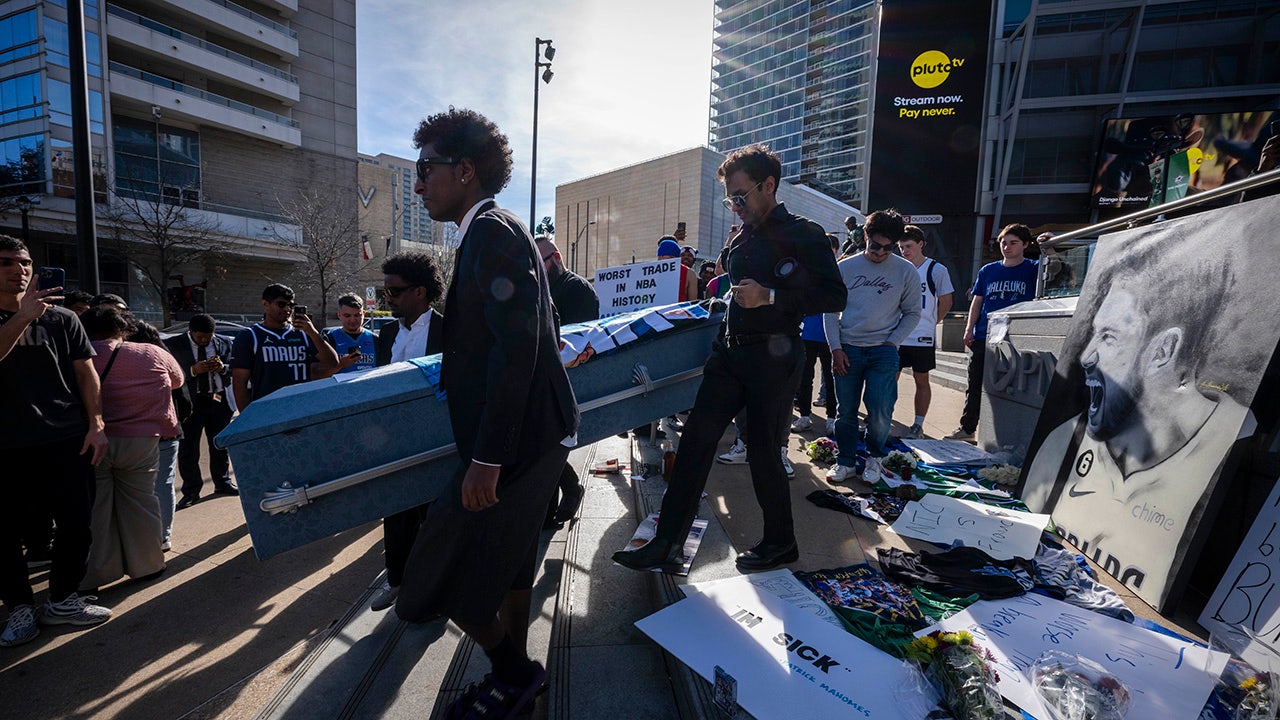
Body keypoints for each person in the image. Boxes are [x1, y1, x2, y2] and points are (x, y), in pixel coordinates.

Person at [394, 107, 580, 718]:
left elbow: (517, 347)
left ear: (465, 171)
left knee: (446, 582)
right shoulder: (485, 232)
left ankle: (516, 680)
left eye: (426, 169)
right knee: (450, 583)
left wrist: (486, 459)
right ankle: (515, 676)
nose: (419, 184)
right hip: (512, 441)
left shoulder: (494, 232)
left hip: (517, 446)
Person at [613, 144, 846, 575]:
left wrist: (770, 295)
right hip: (730, 351)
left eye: (740, 196)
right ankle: (666, 542)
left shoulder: (804, 232)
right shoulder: (742, 235)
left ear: (769, 185)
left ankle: (781, 541)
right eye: (730, 198)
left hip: (774, 354)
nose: (735, 206)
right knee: (696, 441)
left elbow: (835, 295)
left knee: (762, 450)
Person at [1022, 245, 1247, 602]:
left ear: (1163, 351)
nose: (1085, 355)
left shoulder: (1235, 441)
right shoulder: (1063, 442)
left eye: (1108, 337)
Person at [0, 235, 110, 647]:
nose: (19, 269)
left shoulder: (63, 318)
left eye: (24, 261)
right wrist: (24, 317)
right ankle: (20, 606)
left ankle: (63, 599)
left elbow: (86, 374)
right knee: (8, 533)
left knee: (76, 524)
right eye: (7, 262)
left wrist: (97, 424)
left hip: (66, 438)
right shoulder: (29, 316)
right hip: (7, 444)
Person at [78, 306, 181, 591]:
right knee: (142, 501)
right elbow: (177, 380)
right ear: (122, 328)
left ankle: (99, 570)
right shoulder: (151, 352)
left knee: (98, 508)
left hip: (92, 439)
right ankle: (147, 564)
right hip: (142, 439)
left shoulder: (77, 353)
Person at [366, 251, 446, 612]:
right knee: (395, 512)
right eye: (385, 292)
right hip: (393, 440)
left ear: (420, 292)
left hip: (436, 441)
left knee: (433, 518)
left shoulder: (451, 329)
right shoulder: (385, 333)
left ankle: (434, 589)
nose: (388, 299)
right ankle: (397, 578)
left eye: (394, 292)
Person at [822, 210, 921, 483]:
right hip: (848, 348)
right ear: (865, 235)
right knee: (846, 411)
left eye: (889, 248)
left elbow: (913, 312)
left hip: (883, 350)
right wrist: (835, 348)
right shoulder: (845, 267)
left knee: (880, 409)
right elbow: (830, 311)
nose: (880, 253)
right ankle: (846, 461)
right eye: (875, 245)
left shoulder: (906, 271)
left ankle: (875, 459)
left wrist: (893, 342)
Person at [946, 224, 1039, 441]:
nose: (1007, 247)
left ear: (1025, 244)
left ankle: (1011, 433)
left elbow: (1057, 272)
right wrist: (969, 328)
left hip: (1017, 336)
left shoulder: (1034, 268)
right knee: (975, 383)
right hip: (984, 335)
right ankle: (968, 428)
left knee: (1014, 385)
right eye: (1003, 243)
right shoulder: (988, 270)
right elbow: (977, 301)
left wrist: (1050, 250)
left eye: (1013, 242)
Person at [535, 233, 599, 529]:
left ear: (556, 258)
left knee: (548, 444)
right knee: (545, 445)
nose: (536, 270)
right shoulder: (546, 289)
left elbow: (574, 341)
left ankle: (568, 492)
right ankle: (558, 501)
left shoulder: (577, 290)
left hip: (567, 378)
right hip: (549, 377)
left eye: (540, 263)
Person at [164, 314, 237, 508]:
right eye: (201, 337)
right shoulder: (174, 344)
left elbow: (235, 368)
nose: (205, 340)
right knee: (189, 449)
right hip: (190, 403)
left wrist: (222, 368)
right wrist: (193, 371)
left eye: (209, 336)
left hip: (218, 400)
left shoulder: (224, 343)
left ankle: (222, 482)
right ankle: (191, 491)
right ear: (191, 331)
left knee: (220, 444)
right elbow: (169, 374)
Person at [230, 283, 339, 410]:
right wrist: (246, 419)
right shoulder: (249, 336)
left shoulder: (304, 333)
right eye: (281, 304)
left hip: (301, 407)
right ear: (265, 304)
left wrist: (313, 333)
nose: (287, 309)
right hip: (266, 409)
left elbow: (332, 363)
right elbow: (239, 382)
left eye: (291, 305)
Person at [896, 224, 954, 439]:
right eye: (901, 247)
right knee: (888, 379)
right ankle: (883, 417)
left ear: (921, 244)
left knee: (922, 380)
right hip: (897, 336)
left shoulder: (936, 269)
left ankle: (918, 424)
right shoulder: (898, 268)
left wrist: (932, 322)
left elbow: (946, 301)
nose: (905, 251)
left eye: (909, 246)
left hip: (921, 336)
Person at [792, 233, 841, 437]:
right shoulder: (806, 273)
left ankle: (831, 419)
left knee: (832, 379)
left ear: (835, 251)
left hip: (832, 336)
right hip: (808, 334)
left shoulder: (841, 272)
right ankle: (804, 416)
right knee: (804, 377)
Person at [324, 293, 377, 375]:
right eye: (347, 316)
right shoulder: (329, 339)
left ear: (363, 314)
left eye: (357, 315)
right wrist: (340, 365)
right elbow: (317, 375)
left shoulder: (375, 339)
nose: (352, 320)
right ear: (339, 315)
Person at [657, 236, 699, 303]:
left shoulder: (689, 274)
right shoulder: (649, 271)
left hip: (678, 312)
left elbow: (693, 302)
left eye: (671, 257)